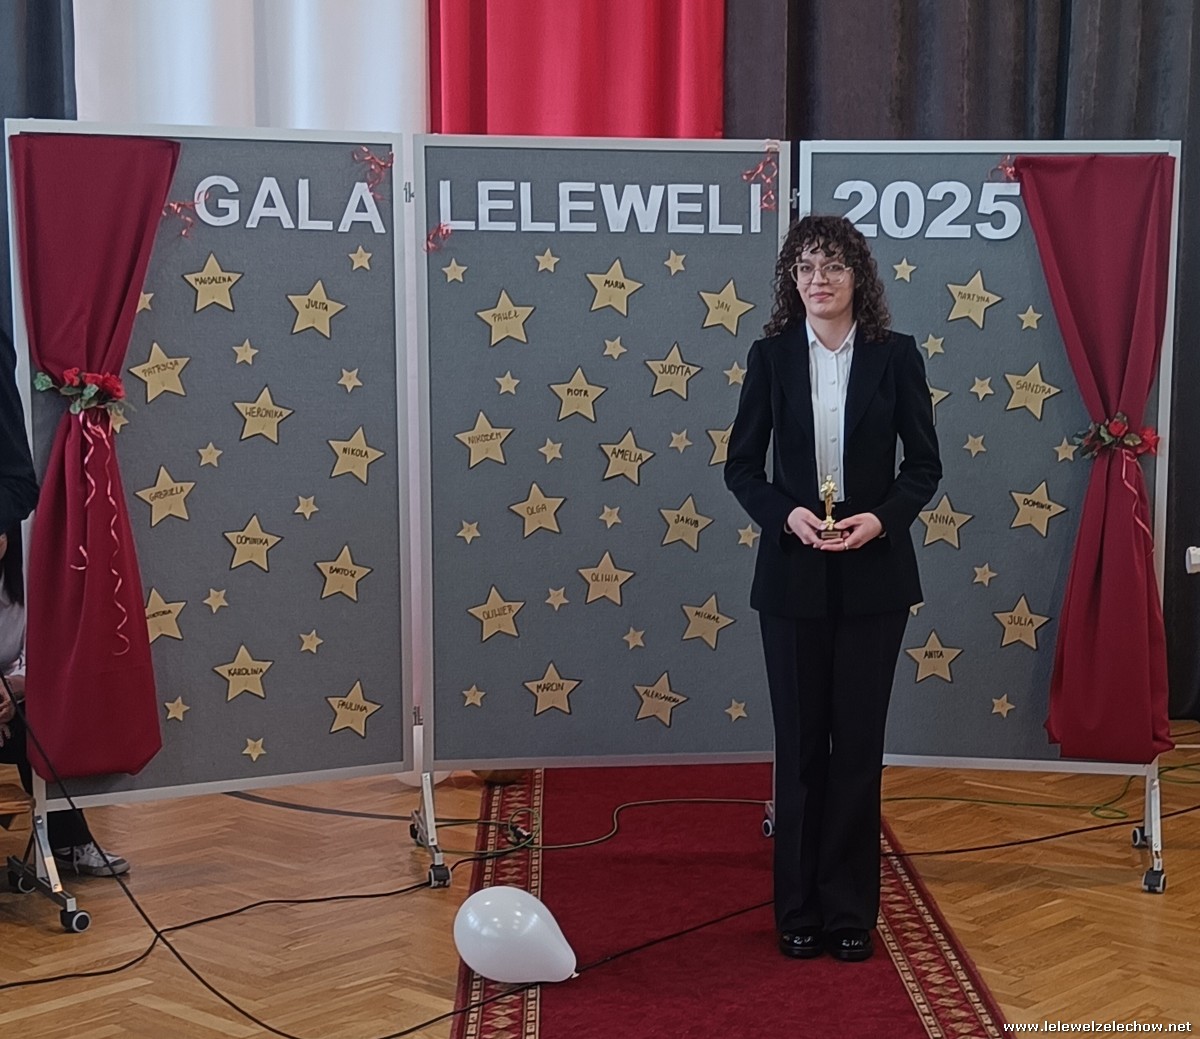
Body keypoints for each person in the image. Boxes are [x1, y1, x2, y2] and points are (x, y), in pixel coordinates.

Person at [724, 214, 940, 962]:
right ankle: (798, 909)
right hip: (792, 573)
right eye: (807, 268)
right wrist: (787, 515)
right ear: (793, 279)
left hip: (875, 574)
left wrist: (880, 520)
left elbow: (924, 467)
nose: (819, 280)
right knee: (799, 747)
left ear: (858, 278)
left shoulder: (895, 355)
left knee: (857, 744)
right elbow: (741, 466)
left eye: (834, 267)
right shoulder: (770, 357)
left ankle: (850, 909)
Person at [0, 525, 129, 877]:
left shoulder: (25, 583)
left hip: (9, 699)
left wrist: (13, 689)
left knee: (43, 728)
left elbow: (36, 656)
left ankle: (68, 843)